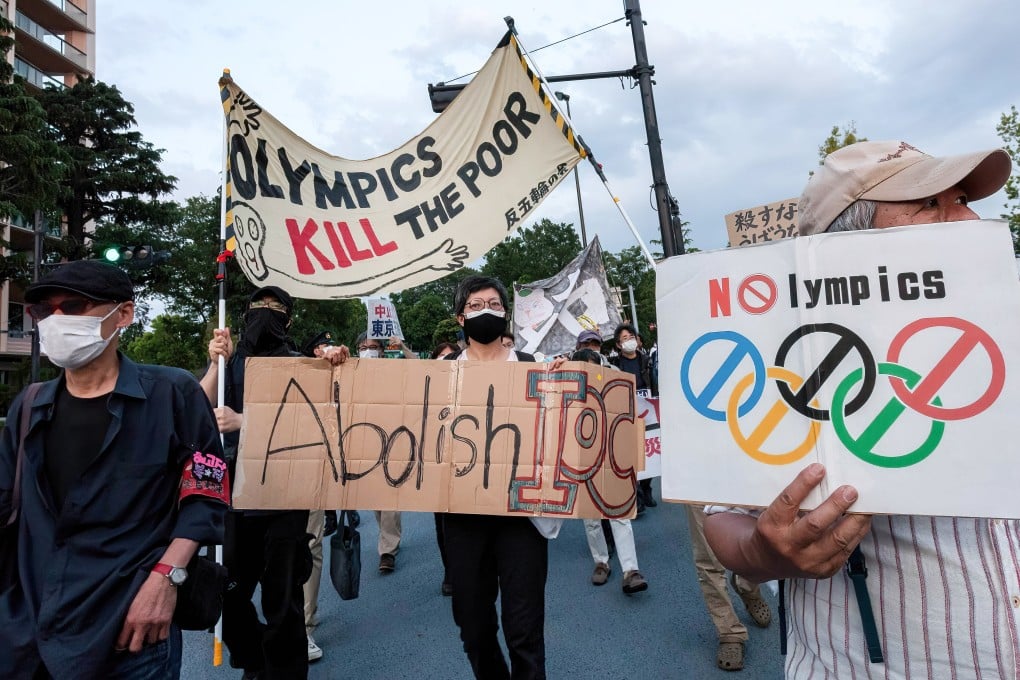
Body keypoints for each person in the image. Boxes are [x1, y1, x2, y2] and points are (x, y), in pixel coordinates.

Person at [704, 140, 1015, 678]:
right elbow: (721, 517)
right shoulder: (795, 363)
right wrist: (767, 553)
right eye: (929, 204)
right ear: (850, 248)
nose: (968, 216)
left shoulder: (1000, 337)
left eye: (963, 197)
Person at [0, 259, 228, 679]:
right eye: (44, 311)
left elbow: (207, 495)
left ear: (123, 313)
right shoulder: (27, 407)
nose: (56, 320)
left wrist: (166, 577)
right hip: (29, 635)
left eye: (72, 305)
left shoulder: (173, 395)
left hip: (131, 634)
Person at [200, 286, 348, 680]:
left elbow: (317, 424)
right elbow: (198, 405)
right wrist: (217, 362)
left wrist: (245, 423)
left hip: (286, 497)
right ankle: (255, 657)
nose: (265, 312)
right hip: (235, 496)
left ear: (288, 318)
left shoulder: (301, 363)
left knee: (283, 599)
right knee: (225, 590)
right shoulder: (229, 362)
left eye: (275, 307)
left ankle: (284, 670)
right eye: (258, 306)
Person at [443, 274, 565, 680]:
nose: (486, 312)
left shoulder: (536, 369)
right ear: (461, 318)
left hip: (522, 516)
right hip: (462, 517)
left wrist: (570, 384)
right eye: (476, 306)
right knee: (473, 627)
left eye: (494, 304)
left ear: (506, 313)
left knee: (524, 630)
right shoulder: (438, 375)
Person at [570, 347, 649, 595]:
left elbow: (630, 420)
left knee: (620, 514)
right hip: (583, 462)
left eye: (592, 367)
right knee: (591, 518)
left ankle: (631, 570)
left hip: (613, 459)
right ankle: (601, 562)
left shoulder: (615, 387)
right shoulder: (569, 394)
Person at [298, 329, 336, 663]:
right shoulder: (287, 369)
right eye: (319, 346)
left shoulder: (333, 374)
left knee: (311, 545)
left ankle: (305, 627)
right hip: (267, 479)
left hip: (314, 476)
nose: (325, 350)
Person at [355, 332, 406, 573]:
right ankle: (389, 534)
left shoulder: (394, 372)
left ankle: (387, 550)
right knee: (376, 498)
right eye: (364, 347)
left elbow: (419, 369)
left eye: (373, 347)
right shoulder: (351, 373)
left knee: (389, 497)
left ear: (383, 350)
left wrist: (402, 347)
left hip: (393, 440)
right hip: (365, 442)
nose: (368, 351)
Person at [609, 323, 658, 511]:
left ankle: (646, 488)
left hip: (649, 411)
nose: (628, 341)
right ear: (618, 345)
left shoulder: (648, 361)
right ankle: (635, 493)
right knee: (631, 455)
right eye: (624, 338)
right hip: (626, 412)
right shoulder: (615, 365)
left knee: (649, 453)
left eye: (631, 337)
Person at [430, 341, 461, 596]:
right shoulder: (427, 388)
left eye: (450, 355)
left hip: (465, 465)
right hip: (437, 467)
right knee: (443, 525)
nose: (445, 359)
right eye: (440, 356)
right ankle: (451, 571)